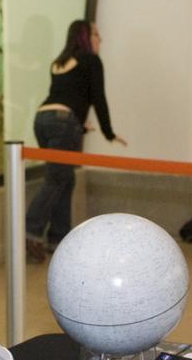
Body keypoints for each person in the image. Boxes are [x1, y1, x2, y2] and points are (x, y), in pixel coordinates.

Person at [24, 19, 127, 263]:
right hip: (62, 122)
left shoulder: (58, 63)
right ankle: (30, 230)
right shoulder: (91, 60)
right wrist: (108, 133)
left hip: (43, 119)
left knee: (65, 179)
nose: (99, 39)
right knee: (57, 178)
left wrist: (78, 124)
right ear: (83, 37)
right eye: (95, 34)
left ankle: (59, 239)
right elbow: (97, 98)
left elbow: (69, 95)